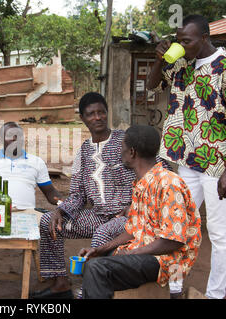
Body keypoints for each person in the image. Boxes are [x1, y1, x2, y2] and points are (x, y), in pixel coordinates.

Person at [146, 14, 226, 299]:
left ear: (204, 38)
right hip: (185, 161)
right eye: (179, 40)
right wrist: (159, 59)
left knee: (218, 234)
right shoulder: (181, 63)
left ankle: (215, 295)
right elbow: (152, 86)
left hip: (216, 164)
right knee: (180, 229)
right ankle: (177, 287)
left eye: (187, 41)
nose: (182, 45)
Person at [31, 93, 171, 299]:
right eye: (91, 114)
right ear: (83, 119)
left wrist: (135, 203)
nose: (97, 118)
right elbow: (78, 194)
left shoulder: (127, 141)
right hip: (97, 215)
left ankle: (91, 290)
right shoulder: (83, 152)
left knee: (103, 234)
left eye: (101, 113)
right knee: (48, 222)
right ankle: (60, 282)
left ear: (107, 114)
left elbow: (159, 167)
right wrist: (60, 210)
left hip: (128, 218)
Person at [79, 125, 201, 299]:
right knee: (94, 262)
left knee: (98, 269)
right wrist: (100, 249)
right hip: (148, 253)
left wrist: (130, 253)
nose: (120, 152)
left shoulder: (168, 183)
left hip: (169, 261)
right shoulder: (142, 183)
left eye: (122, 148)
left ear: (132, 153)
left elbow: (173, 242)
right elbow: (132, 230)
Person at [0, 121, 62, 210]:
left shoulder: (37, 162)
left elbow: (50, 192)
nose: (14, 139)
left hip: (27, 214)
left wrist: (63, 204)